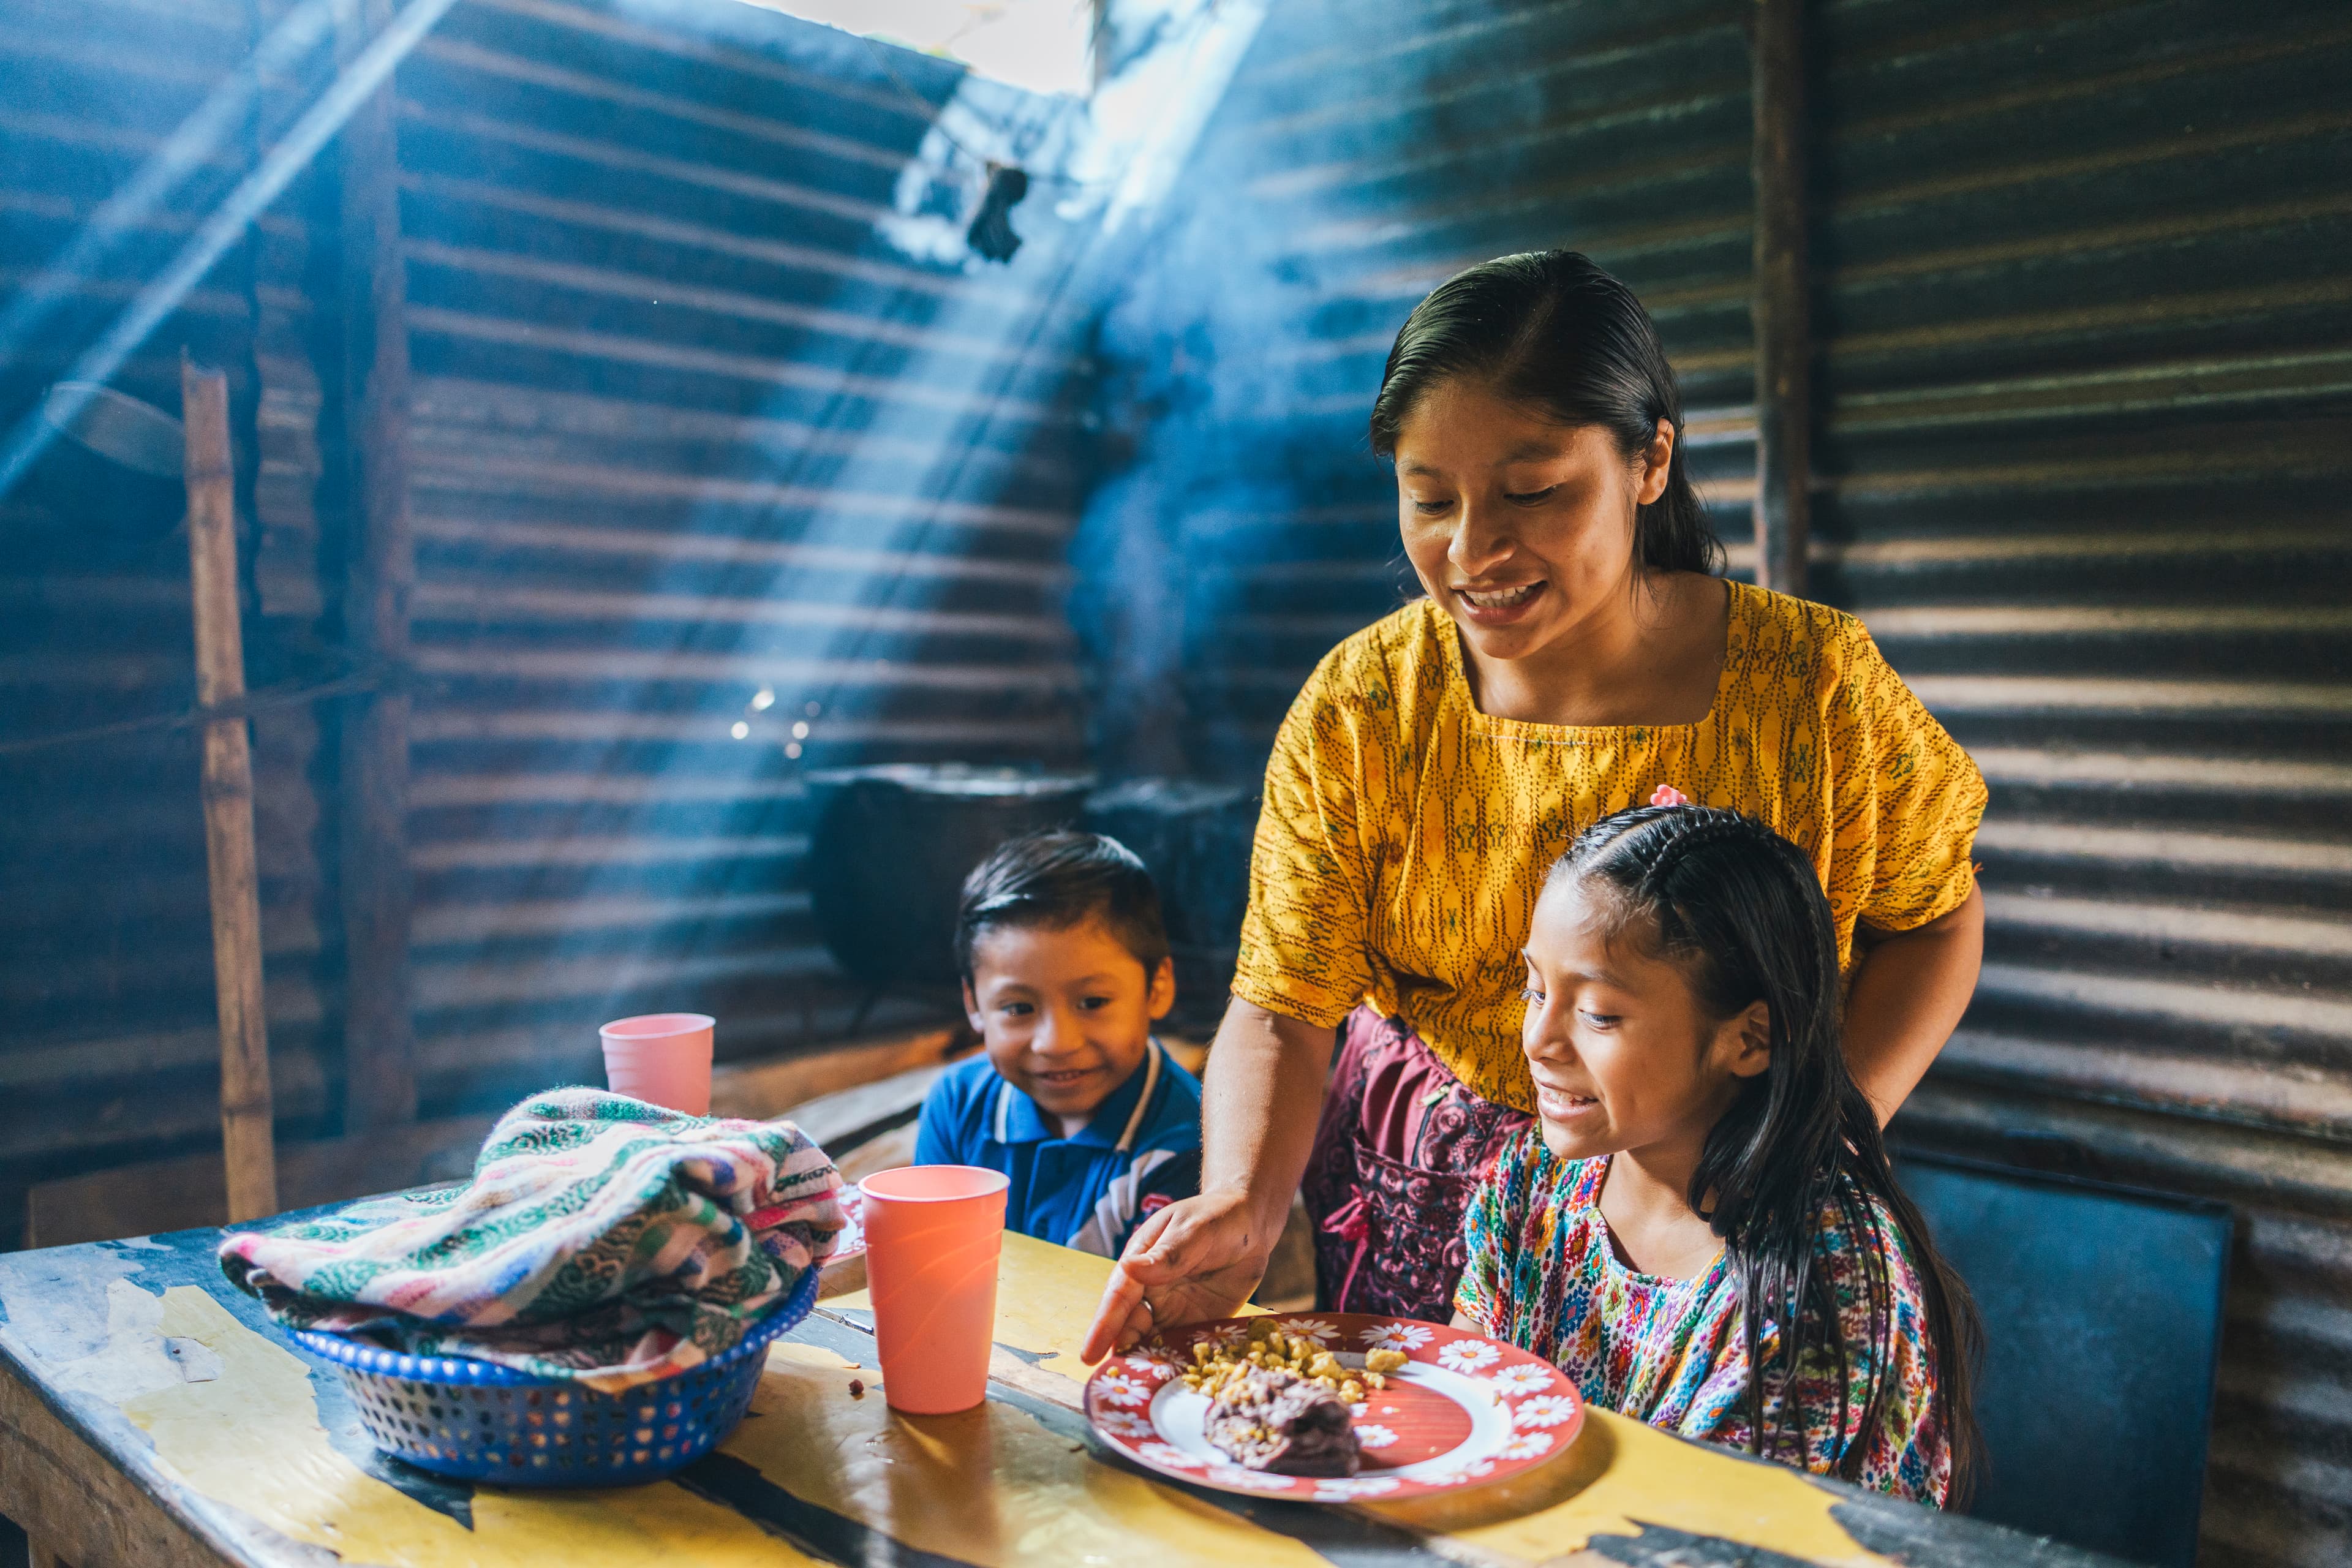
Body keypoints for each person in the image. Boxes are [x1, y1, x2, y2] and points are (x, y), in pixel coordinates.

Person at [1084, 249, 1986, 1360]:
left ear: (1650, 461)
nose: (1472, 553)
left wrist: (1819, 1142)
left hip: (1711, 1208)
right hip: (1433, 1209)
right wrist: (1242, 1200)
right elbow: (1284, 999)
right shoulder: (1365, 706)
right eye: (1430, 499)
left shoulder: (1812, 691)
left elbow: (1936, 920)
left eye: (1534, 492)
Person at [1453, 803, 1978, 1506]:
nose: (1539, 1040)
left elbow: (1706, 1541)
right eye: (1536, 989)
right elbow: (1459, 1416)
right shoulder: (1532, 1186)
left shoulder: (1820, 1288)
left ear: (1750, 1039)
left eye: (1599, 1013)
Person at [915, 830, 1205, 1257]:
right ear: (974, 1003)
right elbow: (929, 1262)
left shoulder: (1192, 1143)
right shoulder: (958, 1104)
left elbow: (1172, 1317)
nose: (1055, 1043)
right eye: (1018, 1008)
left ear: (1157, 987)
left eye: (1092, 1002)